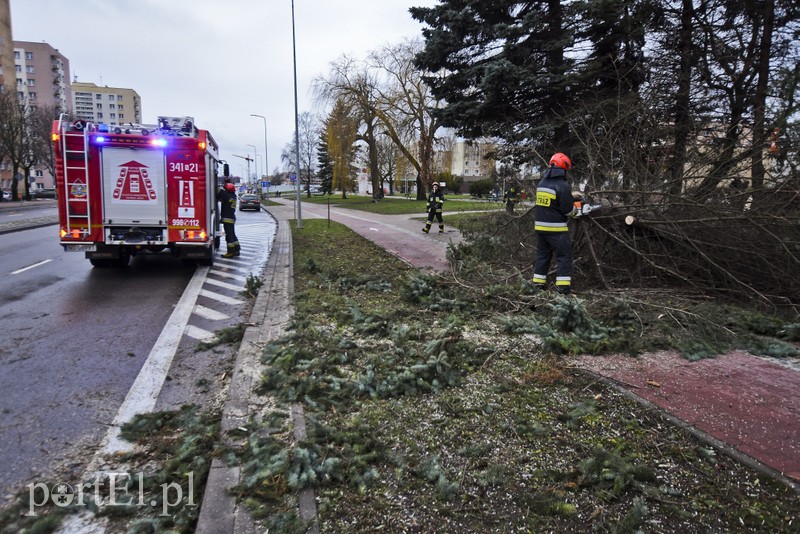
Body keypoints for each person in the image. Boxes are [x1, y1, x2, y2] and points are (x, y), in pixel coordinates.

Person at [532, 152, 579, 295]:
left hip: (540, 228)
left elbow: (552, 203)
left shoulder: (542, 183)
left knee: (543, 256)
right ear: (564, 169)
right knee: (564, 257)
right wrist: (576, 211)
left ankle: (537, 286)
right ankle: (563, 290)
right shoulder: (563, 185)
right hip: (556, 229)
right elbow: (567, 210)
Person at [217, 181, 240, 258]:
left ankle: (230, 252)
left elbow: (218, 190)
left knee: (229, 236)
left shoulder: (227, 195)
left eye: (226, 189)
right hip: (231, 218)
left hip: (227, 219)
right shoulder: (233, 196)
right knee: (232, 235)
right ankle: (237, 250)